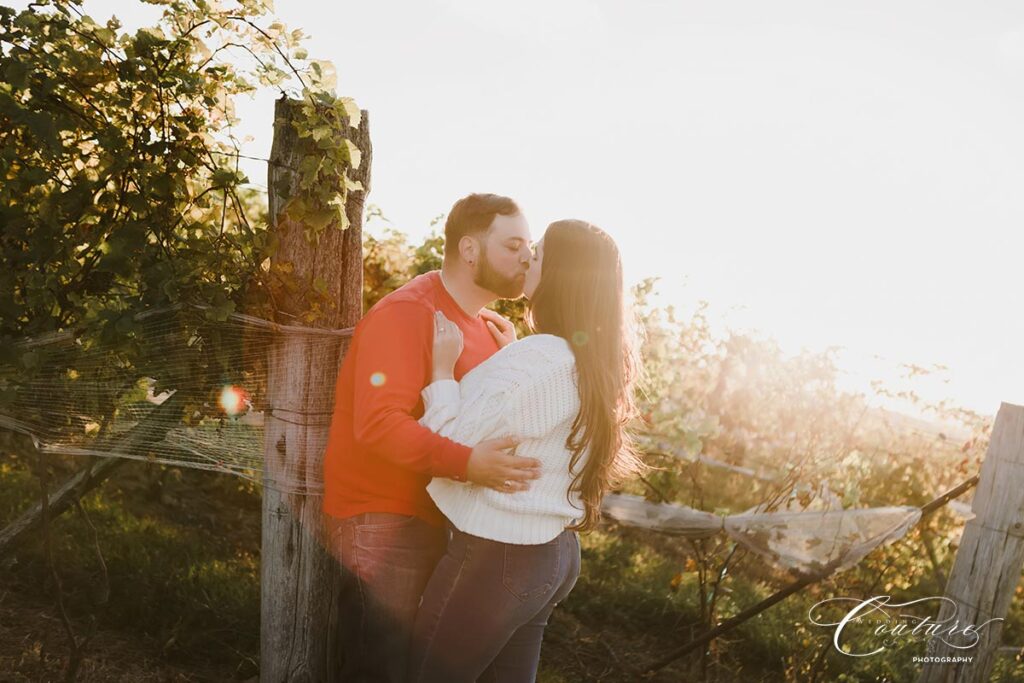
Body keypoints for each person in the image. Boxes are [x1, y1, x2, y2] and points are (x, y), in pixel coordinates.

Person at [407, 220, 646, 683]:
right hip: (553, 556)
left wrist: (440, 372)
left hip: (498, 557)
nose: (526, 262)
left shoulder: (540, 360)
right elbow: (537, 414)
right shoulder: (592, 360)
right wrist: (511, 358)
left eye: (537, 257)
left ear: (560, 275)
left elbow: (449, 445)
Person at [322, 193, 544, 682]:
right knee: (379, 670)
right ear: (469, 249)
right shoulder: (409, 312)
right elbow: (378, 423)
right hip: (383, 521)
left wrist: (510, 359)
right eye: (512, 245)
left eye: (529, 246)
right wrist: (468, 464)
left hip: (440, 525)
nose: (527, 256)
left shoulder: (488, 331)